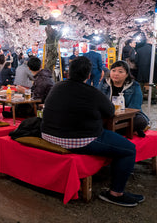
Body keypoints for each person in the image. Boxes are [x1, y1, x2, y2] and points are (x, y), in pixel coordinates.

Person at [41, 56, 143, 207]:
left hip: (48, 134)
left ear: (69, 72)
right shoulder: (92, 92)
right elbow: (110, 112)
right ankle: (116, 193)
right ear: (89, 75)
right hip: (79, 139)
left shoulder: (57, 86)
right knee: (129, 148)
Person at [99, 60, 150, 136]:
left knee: (141, 121)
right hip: (107, 115)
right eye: (113, 70)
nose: (116, 74)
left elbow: (135, 106)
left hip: (126, 117)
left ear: (126, 74)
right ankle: (122, 130)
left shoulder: (134, 86)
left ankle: (110, 130)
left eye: (120, 71)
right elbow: (97, 100)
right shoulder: (104, 83)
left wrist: (120, 115)